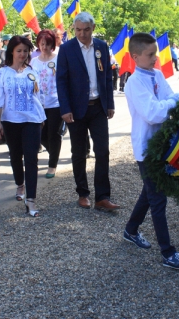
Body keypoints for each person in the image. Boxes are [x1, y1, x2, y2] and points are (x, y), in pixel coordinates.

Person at [123, 32, 179, 270]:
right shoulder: (133, 82)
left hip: (162, 144)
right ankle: (167, 253)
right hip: (147, 148)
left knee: (149, 192)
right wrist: (175, 101)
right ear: (135, 56)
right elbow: (153, 113)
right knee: (157, 198)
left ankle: (131, 230)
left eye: (156, 53)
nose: (156, 58)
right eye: (151, 54)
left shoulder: (157, 74)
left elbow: (167, 99)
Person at [56, 12, 120, 212]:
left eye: (86, 30)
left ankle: (102, 197)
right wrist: (65, 109)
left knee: (102, 151)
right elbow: (61, 81)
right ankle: (82, 193)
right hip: (76, 110)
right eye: (78, 30)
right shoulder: (67, 49)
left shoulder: (101, 46)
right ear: (73, 29)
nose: (82, 34)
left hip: (98, 107)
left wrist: (110, 103)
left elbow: (107, 76)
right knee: (79, 152)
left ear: (92, 28)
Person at [0, 36, 46, 216]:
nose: (22, 54)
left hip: (32, 120)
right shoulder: (3, 73)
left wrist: (42, 116)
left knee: (31, 158)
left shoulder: (33, 71)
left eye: (25, 51)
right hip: (10, 121)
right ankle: (20, 184)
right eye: (19, 51)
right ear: (12, 52)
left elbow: (39, 95)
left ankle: (31, 200)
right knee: (16, 156)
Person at [30, 29, 62, 178]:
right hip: (38, 104)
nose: (44, 47)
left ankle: (52, 165)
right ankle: (54, 153)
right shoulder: (33, 61)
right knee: (41, 135)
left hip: (55, 103)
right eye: (41, 44)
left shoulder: (58, 59)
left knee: (53, 134)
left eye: (47, 44)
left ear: (52, 45)